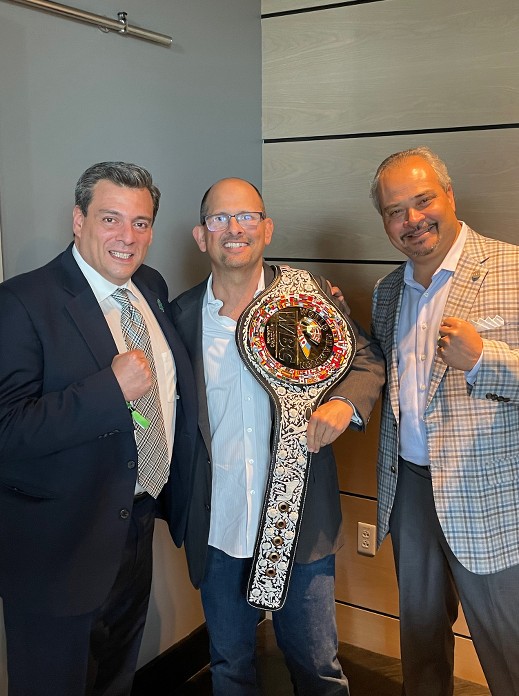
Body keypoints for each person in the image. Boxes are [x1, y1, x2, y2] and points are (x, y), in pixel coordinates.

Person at [170, 177, 385, 695]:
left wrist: (344, 404)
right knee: (229, 666)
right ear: (201, 236)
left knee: (317, 668)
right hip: (219, 527)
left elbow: (366, 360)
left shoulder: (308, 298)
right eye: (220, 218)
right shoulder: (179, 317)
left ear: (267, 229)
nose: (234, 228)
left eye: (247, 216)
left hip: (301, 523)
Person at [0, 162, 197, 696]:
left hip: (136, 527)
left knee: (115, 680)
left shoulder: (150, 286)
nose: (127, 237)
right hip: (58, 550)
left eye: (141, 222)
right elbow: (7, 432)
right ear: (78, 219)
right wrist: (109, 390)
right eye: (111, 218)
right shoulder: (22, 302)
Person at [370, 146, 519, 696]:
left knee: (509, 647)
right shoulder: (387, 292)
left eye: (423, 200)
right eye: (395, 211)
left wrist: (484, 359)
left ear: (449, 196)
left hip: (491, 493)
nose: (412, 219)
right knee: (421, 642)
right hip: (409, 487)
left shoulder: (512, 268)